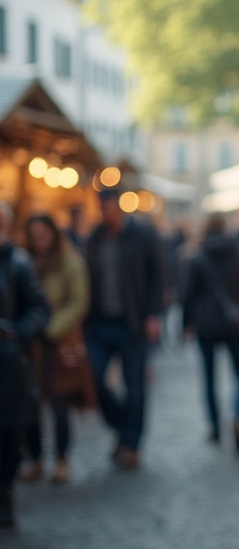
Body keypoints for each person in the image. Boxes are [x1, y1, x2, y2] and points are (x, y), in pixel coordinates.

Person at [83, 188, 164, 469]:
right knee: (93, 378)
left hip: (132, 323)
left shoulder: (142, 235)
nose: (105, 212)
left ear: (119, 207)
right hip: (100, 322)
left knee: (135, 386)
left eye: (108, 207)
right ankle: (121, 424)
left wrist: (153, 315)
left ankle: (131, 443)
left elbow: (158, 275)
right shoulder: (94, 238)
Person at [181, 212, 239, 454]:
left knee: (209, 379)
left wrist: (186, 324)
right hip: (236, 325)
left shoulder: (198, 257)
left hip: (206, 325)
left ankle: (215, 427)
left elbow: (188, 295)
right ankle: (237, 413)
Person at [20, 214, 90, 484]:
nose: (39, 242)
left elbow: (77, 302)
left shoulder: (70, 262)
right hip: (30, 345)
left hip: (58, 343)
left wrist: (51, 329)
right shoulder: (25, 262)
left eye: (43, 235)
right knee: (30, 405)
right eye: (34, 236)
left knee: (59, 403)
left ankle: (61, 459)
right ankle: (34, 457)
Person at [0, 202, 50, 527]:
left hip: (7, 368)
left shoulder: (17, 264)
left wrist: (13, 331)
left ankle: (4, 493)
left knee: (7, 437)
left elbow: (39, 310)